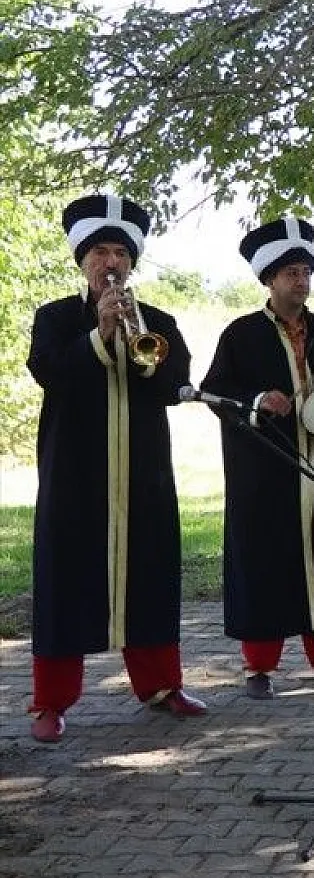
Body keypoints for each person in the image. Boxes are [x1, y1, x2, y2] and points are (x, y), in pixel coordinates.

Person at [27, 193, 206, 743]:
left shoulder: (159, 321)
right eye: (101, 252)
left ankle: (161, 686)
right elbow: (49, 372)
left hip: (143, 473)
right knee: (64, 581)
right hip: (74, 475)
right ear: (83, 261)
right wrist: (99, 337)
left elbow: (176, 383)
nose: (111, 262)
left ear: (132, 263)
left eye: (121, 254)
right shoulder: (55, 318)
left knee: (150, 575)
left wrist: (135, 340)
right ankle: (51, 702)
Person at [200, 218, 314, 699]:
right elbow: (215, 392)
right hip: (265, 469)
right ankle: (258, 667)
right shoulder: (241, 334)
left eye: (306, 272)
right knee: (263, 560)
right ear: (269, 279)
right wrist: (257, 401)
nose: (301, 280)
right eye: (291, 272)